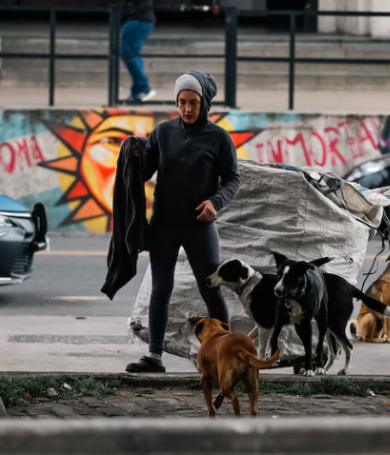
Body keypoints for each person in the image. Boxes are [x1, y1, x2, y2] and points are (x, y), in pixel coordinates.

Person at [126, 71, 240, 373]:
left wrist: (216, 202)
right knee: (160, 289)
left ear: (205, 103)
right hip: (163, 223)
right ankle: (154, 357)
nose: (187, 109)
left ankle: (224, 355)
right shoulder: (163, 132)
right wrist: (133, 154)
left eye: (193, 102)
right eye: (182, 102)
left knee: (210, 289)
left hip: (198, 226)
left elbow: (232, 180)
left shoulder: (219, 137)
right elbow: (145, 171)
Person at [120, 0, 156, 104]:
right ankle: (137, 91)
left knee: (128, 52)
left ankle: (144, 87)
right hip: (140, 18)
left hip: (138, 18)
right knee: (133, 53)